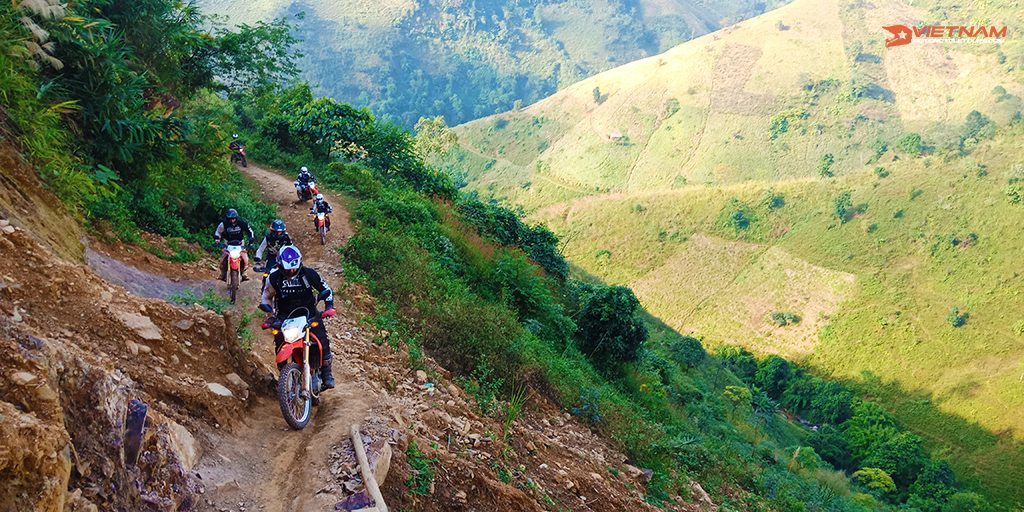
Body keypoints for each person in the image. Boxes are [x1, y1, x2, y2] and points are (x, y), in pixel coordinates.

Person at [259, 245, 336, 388]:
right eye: (288, 269)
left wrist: (329, 306)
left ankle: (327, 373)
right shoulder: (274, 277)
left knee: (322, 340)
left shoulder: (308, 274)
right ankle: (284, 374)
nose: (292, 271)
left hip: (309, 314)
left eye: (294, 268)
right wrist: (270, 315)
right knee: (280, 341)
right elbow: (266, 296)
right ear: (280, 266)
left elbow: (326, 289)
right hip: (285, 317)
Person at [213, 208, 254, 282]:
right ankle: (222, 273)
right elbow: (218, 232)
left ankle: (244, 273)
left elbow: (250, 231)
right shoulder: (224, 224)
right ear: (227, 218)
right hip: (228, 243)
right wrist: (217, 240)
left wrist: (251, 240)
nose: (232, 220)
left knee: (245, 259)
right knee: (222, 259)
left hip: (240, 243)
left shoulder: (242, 224)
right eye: (230, 219)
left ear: (236, 218)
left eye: (233, 219)